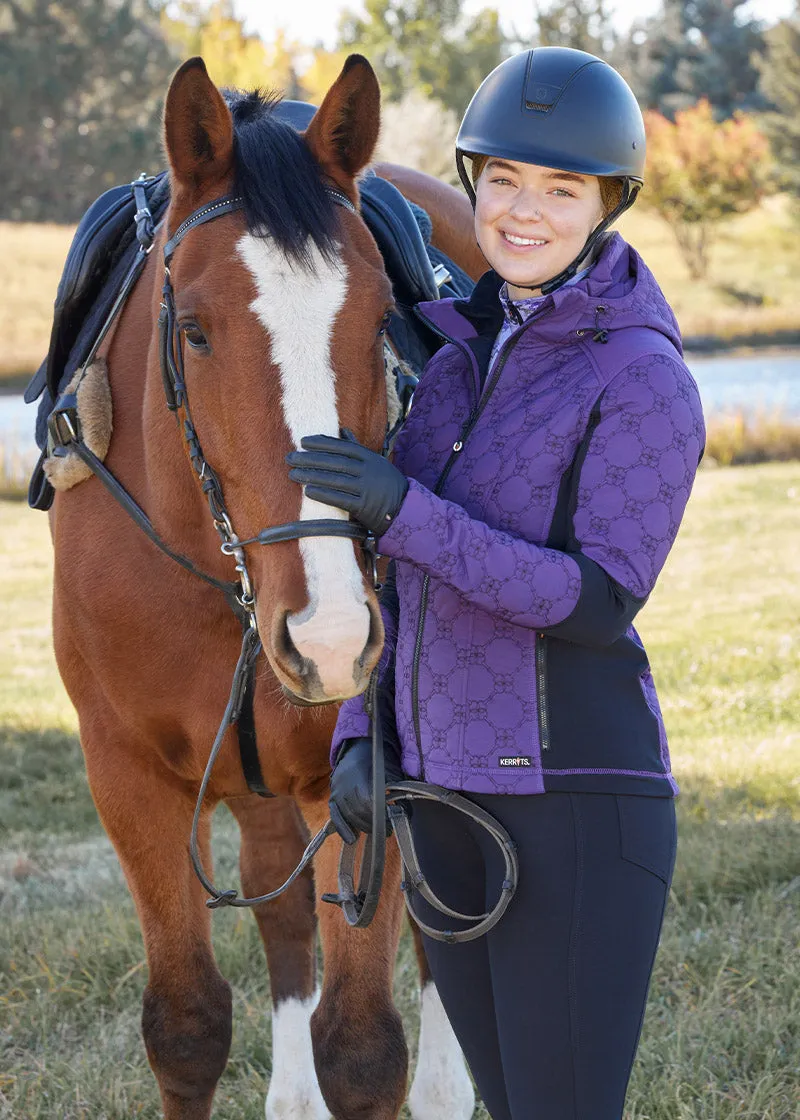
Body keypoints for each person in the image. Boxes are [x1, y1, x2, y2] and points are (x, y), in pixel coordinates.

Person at [287, 46, 705, 1120]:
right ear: (471, 182)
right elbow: (399, 588)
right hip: (444, 801)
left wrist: (405, 508)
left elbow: (591, 600)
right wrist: (356, 738)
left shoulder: (642, 375)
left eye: (561, 188)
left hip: (573, 803)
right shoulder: (459, 354)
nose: (523, 211)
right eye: (504, 180)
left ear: (608, 202)